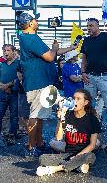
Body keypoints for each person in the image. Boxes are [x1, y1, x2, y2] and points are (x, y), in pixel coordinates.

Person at [18, 12, 78, 156]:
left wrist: (71, 47)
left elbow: (51, 53)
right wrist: (55, 48)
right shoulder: (31, 38)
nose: (37, 22)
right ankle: (32, 147)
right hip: (38, 82)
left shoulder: (28, 38)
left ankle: (39, 143)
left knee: (40, 115)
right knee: (35, 114)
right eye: (35, 21)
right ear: (31, 23)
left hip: (39, 82)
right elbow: (51, 56)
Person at [36, 89, 101, 176]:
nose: (75, 101)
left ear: (86, 102)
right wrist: (60, 119)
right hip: (68, 153)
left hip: (84, 153)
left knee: (90, 156)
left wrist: (77, 156)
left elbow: (92, 145)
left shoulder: (92, 119)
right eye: (74, 98)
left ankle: (54, 169)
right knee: (42, 159)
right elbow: (58, 138)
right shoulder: (67, 116)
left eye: (78, 99)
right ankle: (78, 167)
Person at [81, 18, 107, 132]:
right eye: (88, 26)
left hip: (104, 77)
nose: (89, 28)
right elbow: (84, 58)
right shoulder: (86, 40)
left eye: (91, 25)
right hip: (90, 77)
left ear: (97, 26)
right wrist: (83, 72)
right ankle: (88, 130)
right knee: (87, 105)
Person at [0, 44, 19, 145]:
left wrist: (8, 86)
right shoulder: (1, 65)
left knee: (14, 116)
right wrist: (2, 87)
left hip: (14, 94)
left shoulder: (18, 64)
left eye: (8, 50)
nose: (6, 52)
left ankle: (12, 135)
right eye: (4, 51)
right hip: (1, 94)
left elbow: (20, 78)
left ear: (13, 52)